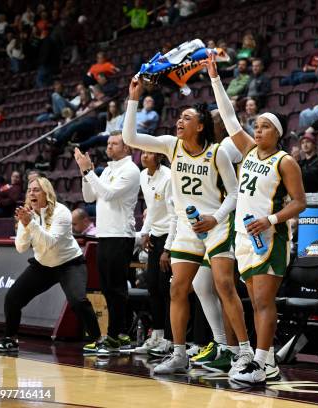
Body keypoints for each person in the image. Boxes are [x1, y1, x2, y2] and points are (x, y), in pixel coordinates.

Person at [123, 77, 253, 378]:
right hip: (186, 228)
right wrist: (133, 98)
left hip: (217, 225)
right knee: (178, 289)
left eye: (187, 118)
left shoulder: (218, 152)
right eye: (179, 117)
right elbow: (130, 137)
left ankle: (244, 353)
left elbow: (234, 194)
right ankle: (179, 353)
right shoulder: (171, 145)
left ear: (200, 126)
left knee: (223, 285)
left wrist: (216, 219)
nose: (179, 121)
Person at [207, 52, 306, 384]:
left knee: (264, 302)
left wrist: (272, 220)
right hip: (243, 235)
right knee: (253, 301)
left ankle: (263, 362)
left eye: (265, 126)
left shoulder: (285, 161)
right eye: (257, 126)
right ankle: (265, 361)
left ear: (277, 132)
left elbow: (300, 203)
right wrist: (215, 79)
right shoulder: (248, 151)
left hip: (270, 236)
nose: (258, 129)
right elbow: (229, 117)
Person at [0, 177, 101, 353]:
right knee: (12, 298)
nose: (31, 193)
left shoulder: (61, 212)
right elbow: (21, 247)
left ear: (46, 193)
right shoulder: (27, 214)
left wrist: (31, 224)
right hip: (43, 265)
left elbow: (51, 242)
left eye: (36, 190)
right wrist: (25, 226)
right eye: (29, 190)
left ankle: (98, 339)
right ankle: (10, 339)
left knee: (78, 301)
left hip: (69, 263)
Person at [74, 132, 140, 354]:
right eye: (108, 143)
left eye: (114, 144)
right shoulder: (109, 169)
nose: (109, 146)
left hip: (120, 235)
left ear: (127, 148)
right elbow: (90, 197)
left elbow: (109, 194)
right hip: (105, 234)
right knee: (107, 288)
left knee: (116, 288)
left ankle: (115, 336)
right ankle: (117, 334)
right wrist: (86, 175)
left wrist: (89, 171)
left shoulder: (130, 171)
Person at [133, 151, 175, 355]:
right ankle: (156, 335)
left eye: (150, 153)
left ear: (159, 157)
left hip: (170, 237)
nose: (145, 156)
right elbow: (151, 208)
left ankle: (169, 339)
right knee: (153, 287)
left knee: (166, 289)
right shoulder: (143, 175)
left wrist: (167, 249)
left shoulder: (168, 177)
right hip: (154, 236)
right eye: (143, 152)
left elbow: (174, 215)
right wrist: (145, 232)